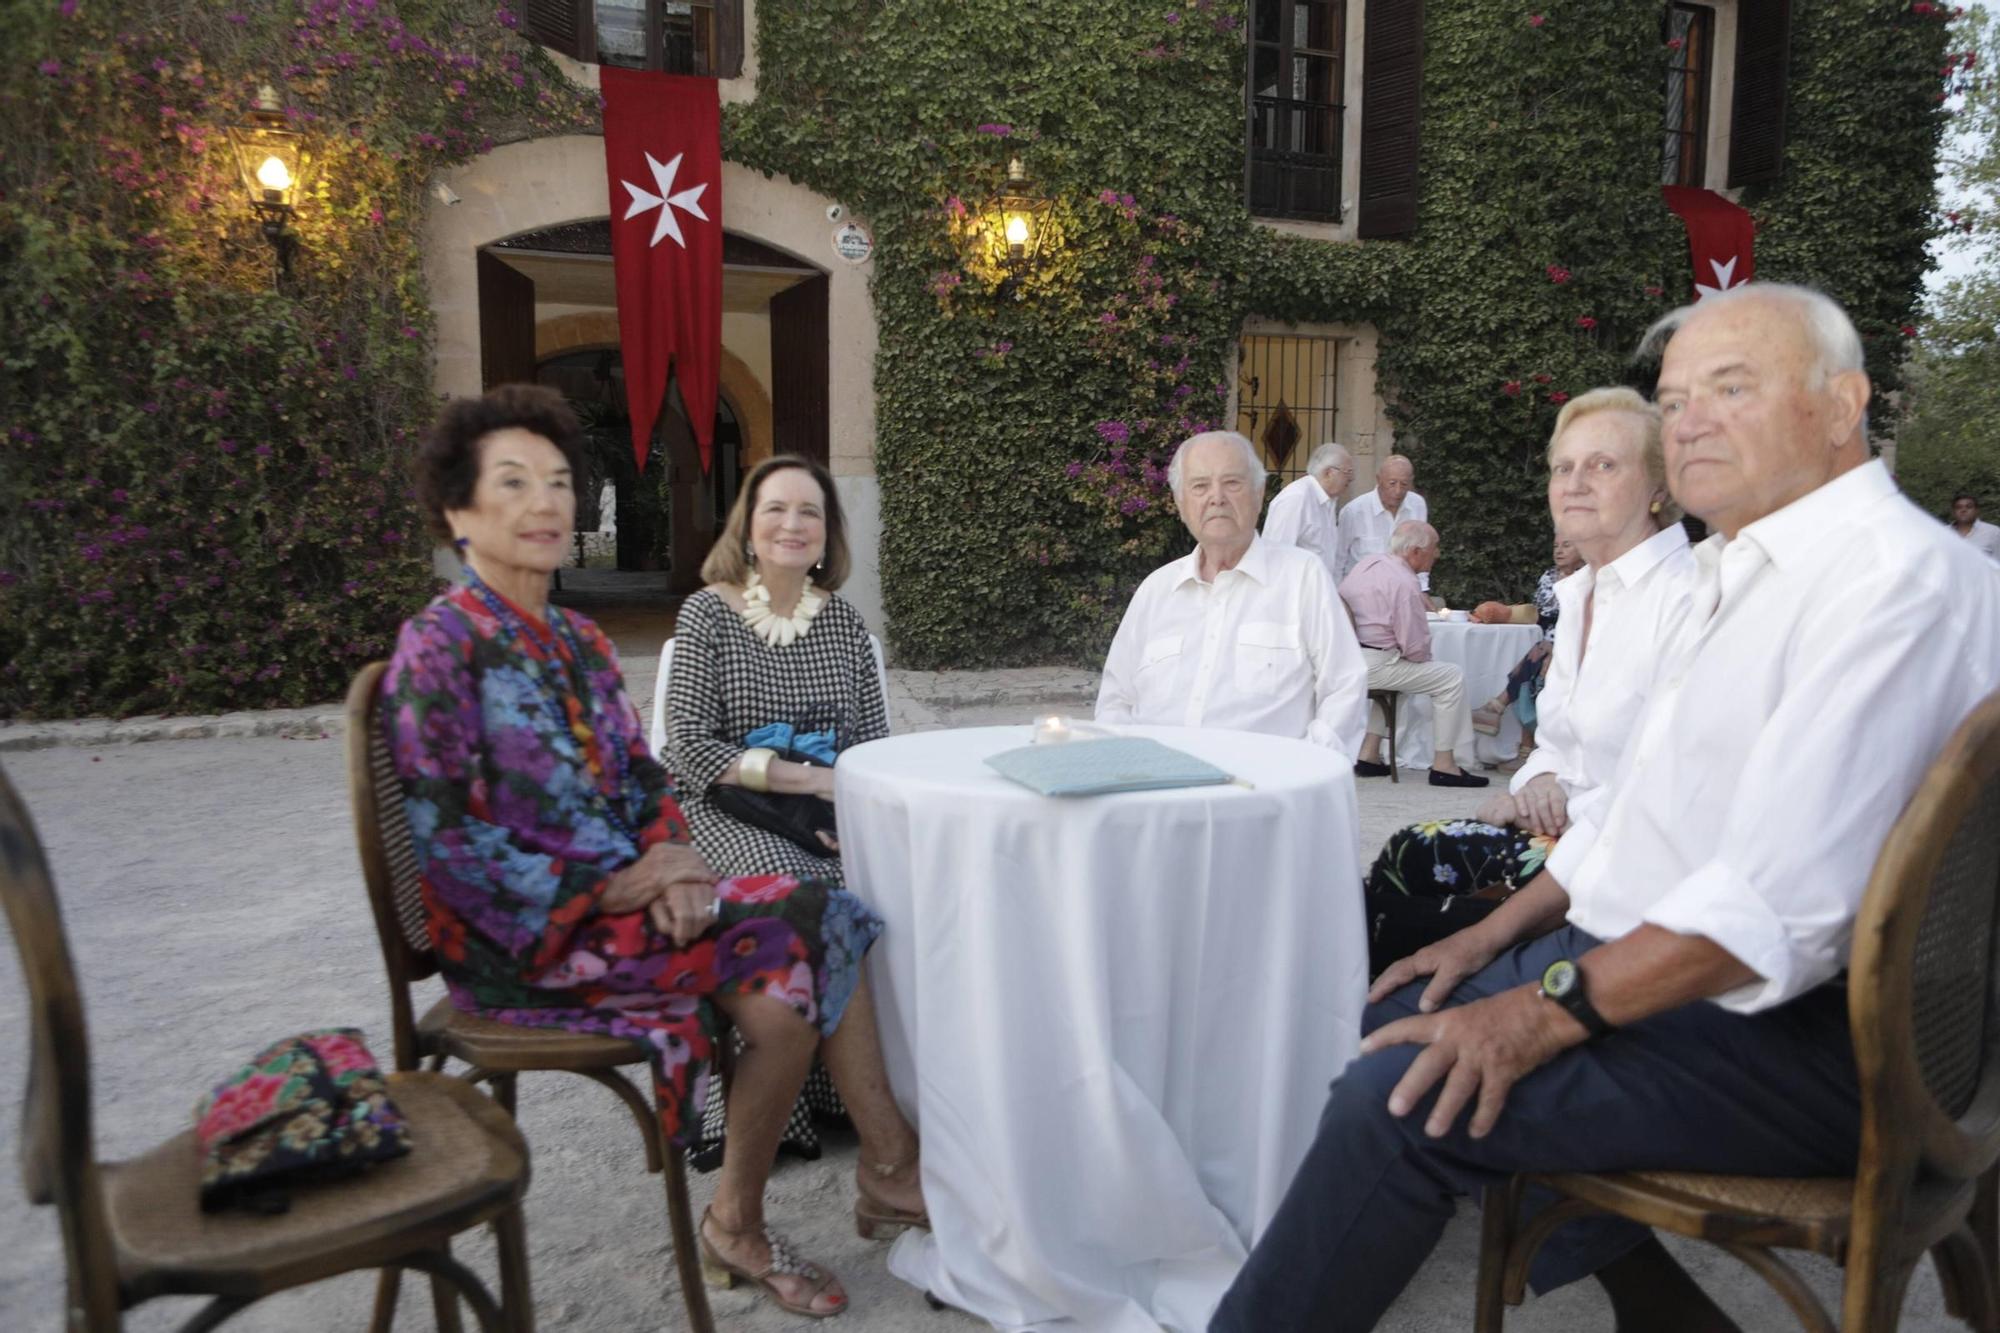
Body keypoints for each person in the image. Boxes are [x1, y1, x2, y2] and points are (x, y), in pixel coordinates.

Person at [1211, 283, 2000, 1333]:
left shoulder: (1889, 584)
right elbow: (1637, 818)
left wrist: (1533, 1009)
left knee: (1397, 1093)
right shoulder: (1752, 575)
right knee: (1389, 1014)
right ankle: (1657, 1303)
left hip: (1822, 1039)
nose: (1691, 423)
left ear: (1841, 402)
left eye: (1731, 387)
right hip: (1703, 980)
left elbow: (1772, 916)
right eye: (1673, 401)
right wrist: (1487, 942)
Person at [385, 387, 924, 1321]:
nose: (545, 502)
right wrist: (618, 884)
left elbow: (643, 782)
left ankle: (832, 1187)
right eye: (512, 483)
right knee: (798, 943)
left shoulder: (581, 643)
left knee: (830, 917)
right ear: (457, 511)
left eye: (558, 481)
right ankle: (834, 1189)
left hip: (623, 907)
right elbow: (459, 852)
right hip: (525, 942)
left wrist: (671, 858)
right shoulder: (438, 649)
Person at [1363, 389, 1697, 976]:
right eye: (1562, 467)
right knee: (1402, 862)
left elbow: (1666, 795)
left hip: (1621, 869)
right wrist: (1538, 780)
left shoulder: (1687, 598)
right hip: (1560, 831)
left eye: (1603, 464)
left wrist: (1558, 804)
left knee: (1402, 887)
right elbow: (1557, 740)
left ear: (1661, 487)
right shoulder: (1584, 593)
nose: (1573, 483)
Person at [662, 456, 900, 1175]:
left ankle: (842, 1093)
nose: (793, 525)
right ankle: (775, 1110)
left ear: (828, 535)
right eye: (776, 509)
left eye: (810, 512)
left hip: (822, 806)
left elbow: (868, 747)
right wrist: (807, 779)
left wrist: (841, 797)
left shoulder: (846, 623)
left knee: (882, 882)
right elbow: (690, 745)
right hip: (726, 806)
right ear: (748, 525)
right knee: (799, 883)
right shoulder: (707, 612)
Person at [1096, 430, 1368, 757]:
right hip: (1160, 795)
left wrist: (1302, 771)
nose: (1217, 498)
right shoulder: (1156, 590)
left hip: (1266, 797)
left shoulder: (1303, 578)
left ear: (1259, 492)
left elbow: (1344, 688)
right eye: (1200, 486)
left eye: (1232, 483)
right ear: (1181, 504)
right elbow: (1116, 700)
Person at [1338, 521, 1488, 787]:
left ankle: (1369, 755)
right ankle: (1444, 765)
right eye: (1434, 548)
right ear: (1416, 552)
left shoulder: (1366, 565)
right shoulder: (1405, 583)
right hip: (1374, 664)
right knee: (1450, 677)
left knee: (1406, 675)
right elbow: (1415, 646)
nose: (1438, 554)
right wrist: (1417, 656)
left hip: (1347, 658)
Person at [1469, 535, 1584, 761]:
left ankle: (1497, 708)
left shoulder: (1589, 577)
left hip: (1575, 642)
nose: (1559, 551)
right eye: (1555, 546)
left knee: (1537, 660)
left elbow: (1576, 616)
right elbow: (1541, 613)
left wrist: (1556, 647)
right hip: (1546, 641)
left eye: (1567, 546)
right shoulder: (1549, 576)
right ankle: (1522, 747)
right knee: (1535, 664)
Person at [1335, 453, 1430, 591]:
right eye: (1392, 483)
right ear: (1379, 480)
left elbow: (1421, 554)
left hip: (1403, 593)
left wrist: (1422, 589)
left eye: (1404, 484)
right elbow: (1338, 561)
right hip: (1362, 595)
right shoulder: (1354, 511)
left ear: (1411, 482)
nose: (1398, 491)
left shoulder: (1418, 505)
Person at [1261, 441, 1354, 580]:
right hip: (1296, 594)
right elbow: (1276, 555)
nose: (1351, 478)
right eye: (1347, 472)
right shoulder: (1296, 499)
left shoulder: (1328, 501)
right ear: (1329, 473)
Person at [1950, 493, 2000, 561]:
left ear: (1977, 510)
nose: (1963, 510)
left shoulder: (1993, 532)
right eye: (1958, 507)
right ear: (1953, 512)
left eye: (1969, 507)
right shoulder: (1942, 532)